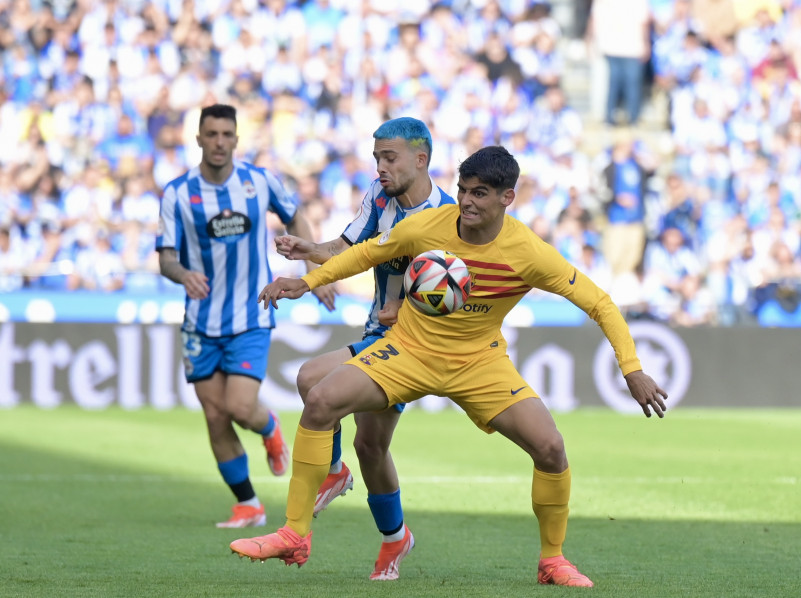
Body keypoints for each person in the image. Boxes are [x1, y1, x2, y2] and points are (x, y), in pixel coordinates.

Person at [230, 146, 668, 587]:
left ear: (507, 198)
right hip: (409, 352)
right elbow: (364, 255)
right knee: (322, 398)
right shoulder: (426, 226)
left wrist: (631, 369)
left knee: (551, 449)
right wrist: (305, 282)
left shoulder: (528, 252)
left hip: (480, 363)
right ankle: (295, 532)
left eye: (480, 193)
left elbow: (600, 303)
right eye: (462, 190)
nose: (467, 201)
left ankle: (552, 560)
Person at [273, 117, 455, 580]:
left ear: (421, 159)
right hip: (378, 333)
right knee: (370, 446)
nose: (380, 167)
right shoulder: (379, 196)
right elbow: (347, 247)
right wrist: (307, 249)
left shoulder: (448, 219)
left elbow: (456, 295)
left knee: (314, 382)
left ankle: (335, 474)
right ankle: (395, 539)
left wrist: (409, 309)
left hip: (411, 345)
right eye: (376, 157)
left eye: (389, 157)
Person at [155, 103, 336, 528]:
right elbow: (165, 258)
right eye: (211, 134)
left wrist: (316, 267)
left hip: (250, 314)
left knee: (238, 406)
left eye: (226, 134)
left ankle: (268, 425)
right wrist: (183, 274)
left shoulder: (259, 181)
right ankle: (248, 504)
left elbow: (296, 216)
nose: (219, 142)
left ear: (236, 139)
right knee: (214, 414)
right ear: (198, 139)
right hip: (200, 320)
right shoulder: (177, 193)